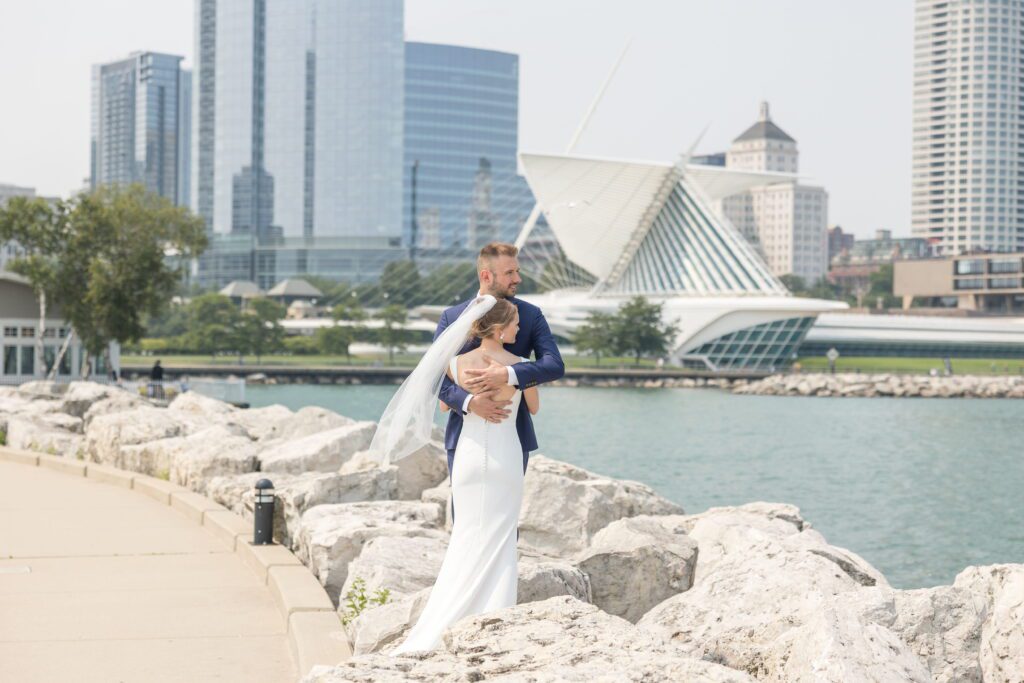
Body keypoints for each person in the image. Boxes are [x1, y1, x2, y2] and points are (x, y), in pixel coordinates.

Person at [366, 242, 564, 655]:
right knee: (470, 527)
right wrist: (470, 401)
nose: (518, 278)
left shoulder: (531, 315)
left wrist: (509, 375)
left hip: (509, 441)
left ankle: (478, 617)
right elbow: (431, 379)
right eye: (510, 272)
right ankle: (477, 619)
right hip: (469, 436)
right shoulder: (451, 316)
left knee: (496, 528)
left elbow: (553, 364)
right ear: (487, 275)